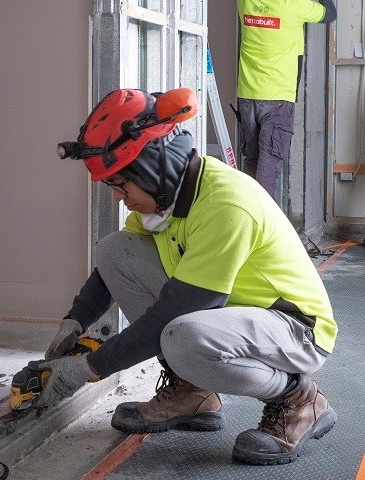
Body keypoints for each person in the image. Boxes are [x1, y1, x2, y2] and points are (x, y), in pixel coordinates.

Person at [35, 87, 337, 465]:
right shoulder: (167, 201)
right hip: (231, 315)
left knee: (184, 336)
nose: (117, 197)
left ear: (151, 169)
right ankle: (192, 392)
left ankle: (298, 399)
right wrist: (74, 322)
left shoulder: (225, 204)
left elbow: (176, 311)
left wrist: (86, 370)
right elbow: (112, 268)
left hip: (294, 328)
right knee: (114, 249)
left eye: (121, 184)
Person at [236, 0, 336, 199]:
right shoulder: (296, 5)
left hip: (247, 95)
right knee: (269, 164)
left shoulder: (245, 2)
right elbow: (330, 13)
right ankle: (266, 226)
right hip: (277, 98)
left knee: (251, 159)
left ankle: (247, 214)